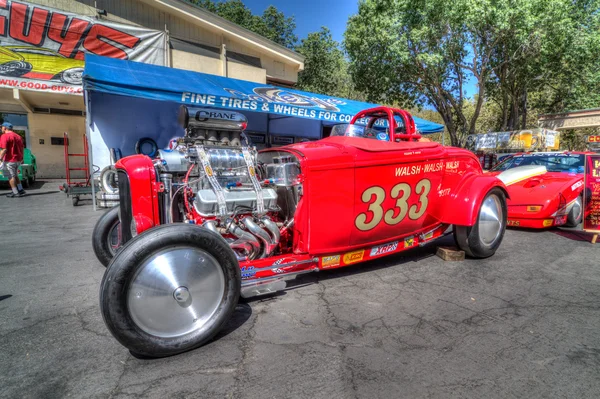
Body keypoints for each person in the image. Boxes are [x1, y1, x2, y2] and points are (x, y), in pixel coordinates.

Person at [0, 122, 26, 197]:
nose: (1, 129)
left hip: (9, 159)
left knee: (10, 176)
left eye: (1, 127)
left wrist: (0, 158)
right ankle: (21, 190)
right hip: (18, 159)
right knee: (15, 175)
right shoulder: (18, 136)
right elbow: (22, 148)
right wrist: (22, 158)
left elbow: (4, 149)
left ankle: (15, 192)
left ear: (5, 128)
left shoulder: (4, 136)